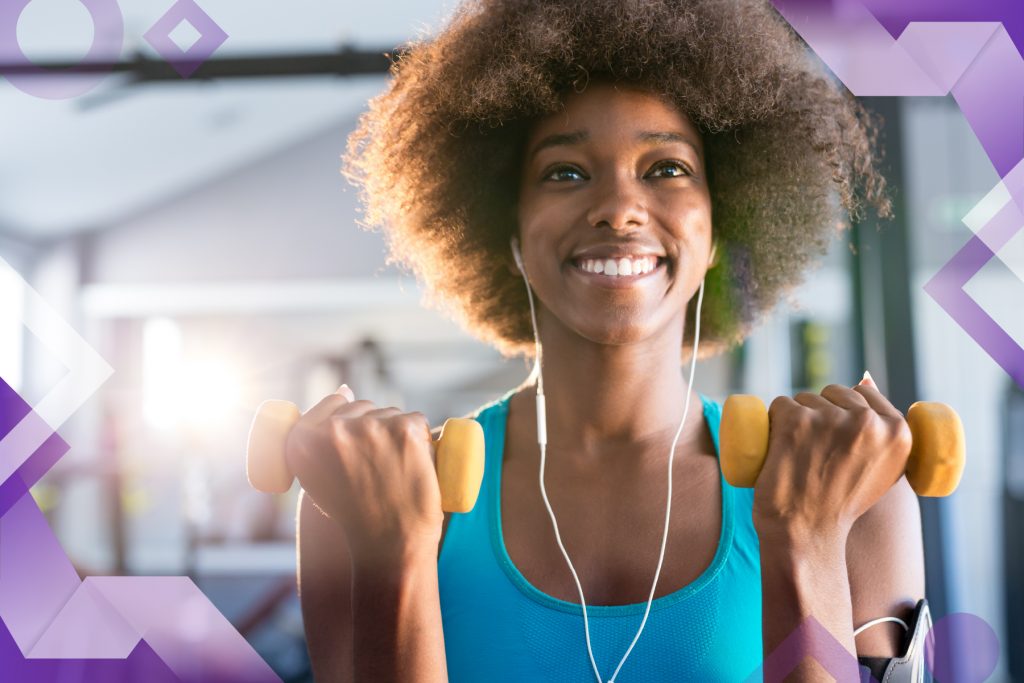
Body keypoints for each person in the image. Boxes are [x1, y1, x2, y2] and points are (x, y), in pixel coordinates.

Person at [293, 1, 927, 681]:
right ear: (506, 232)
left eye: (667, 168)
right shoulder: (353, 507)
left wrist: (807, 540)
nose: (619, 207)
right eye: (565, 171)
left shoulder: (860, 499)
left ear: (718, 226)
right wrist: (397, 554)